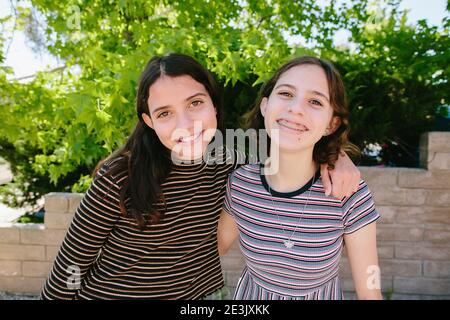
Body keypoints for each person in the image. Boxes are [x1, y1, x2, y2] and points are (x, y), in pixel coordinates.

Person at [41, 53, 361, 300]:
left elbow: (295, 139)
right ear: (149, 121)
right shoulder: (120, 175)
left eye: (195, 103)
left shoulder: (231, 152)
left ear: (213, 105)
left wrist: (335, 157)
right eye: (165, 113)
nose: (186, 123)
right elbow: (72, 261)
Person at [218, 56, 382, 300]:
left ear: (331, 124)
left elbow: (371, 288)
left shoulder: (348, 191)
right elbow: (207, 255)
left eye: (315, 101)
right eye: (285, 93)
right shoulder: (241, 184)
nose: (296, 108)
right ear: (265, 106)